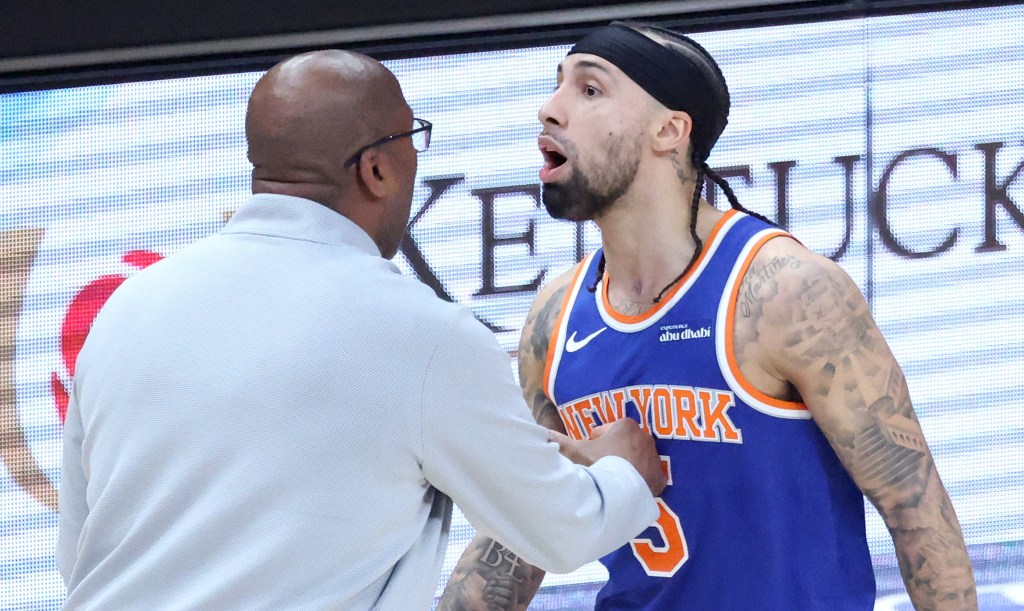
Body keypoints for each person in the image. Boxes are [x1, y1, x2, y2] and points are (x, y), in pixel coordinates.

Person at [56, 49, 668, 610]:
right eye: (412, 139)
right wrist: (622, 473)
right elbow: (564, 530)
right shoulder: (424, 336)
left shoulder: (125, 312)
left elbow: (79, 555)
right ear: (376, 169)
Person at [439, 21, 978, 610]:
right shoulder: (555, 315)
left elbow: (917, 514)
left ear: (669, 131)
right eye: (556, 86)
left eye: (589, 90)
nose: (549, 110)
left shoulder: (782, 291)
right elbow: (522, 528)